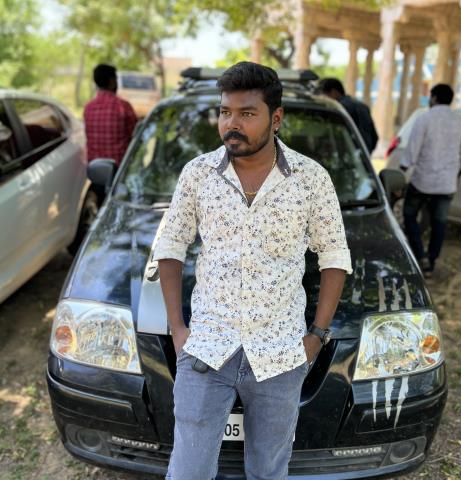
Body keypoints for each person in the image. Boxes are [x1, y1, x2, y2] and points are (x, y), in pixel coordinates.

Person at [154, 62, 352, 480]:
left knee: (268, 471)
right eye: (225, 112)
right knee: (188, 471)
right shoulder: (198, 174)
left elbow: (334, 257)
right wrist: (178, 330)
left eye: (246, 113)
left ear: (275, 118)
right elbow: (169, 248)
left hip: (280, 353)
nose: (232, 124)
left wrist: (316, 336)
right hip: (207, 350)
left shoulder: (310, 179)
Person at [400, 83, 461, 277]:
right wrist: (456, 178)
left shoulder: (425, 118)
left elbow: (411, 153)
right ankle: (431, 262)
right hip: (447, 184)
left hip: (421, 182)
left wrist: (401, 173)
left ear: (434, 98)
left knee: (409, 215)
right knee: (439, 222)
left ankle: (419, 254)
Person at [84, 64, 137, 166]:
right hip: (119, 169)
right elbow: (135, 136)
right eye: (116, 79)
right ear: (112, 81)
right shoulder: (123, 106)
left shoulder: (88, 108)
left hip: (95, 169)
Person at [319, 77, 378, 153]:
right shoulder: (363, 107)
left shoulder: (337, 109)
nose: (323, 99)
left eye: (324, 95)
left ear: (333, 92)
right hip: (363, 156)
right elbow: (374, 137)